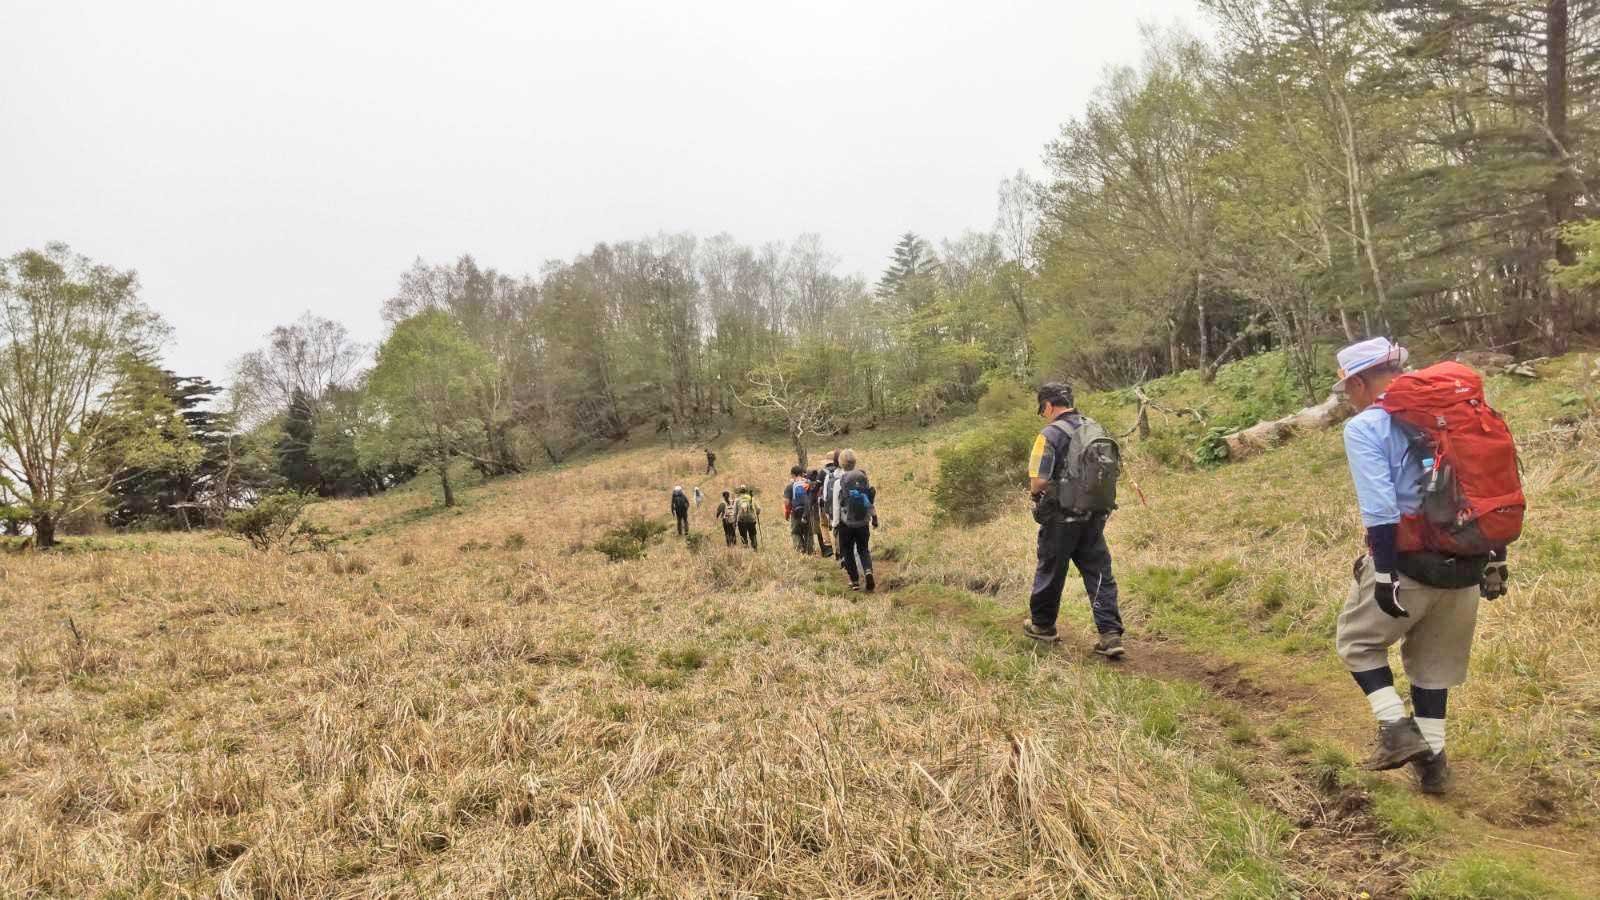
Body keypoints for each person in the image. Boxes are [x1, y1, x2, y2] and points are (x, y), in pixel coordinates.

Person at [1332, 337, 1504, 794]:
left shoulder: (1366, 427)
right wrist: (1495, 557)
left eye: (1348, 388)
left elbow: (1380, 509)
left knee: (1357, 643)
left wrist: (1384, 573)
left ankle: (1396, 730)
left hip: (1409, 562)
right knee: (1433, 664)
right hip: (1468, 560)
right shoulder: (1457, 415)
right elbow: (1489, 489)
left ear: (1361, 381)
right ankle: (1434, 765)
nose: (1348, 397)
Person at [1023, 382, 1125, 658]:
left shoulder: (1049, 434)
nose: (1044, 414)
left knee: (1051, 569)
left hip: (1060, 516)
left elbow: (1038, 482)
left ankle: (1043, 627)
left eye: (1042, 409)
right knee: (1098, 570)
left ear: (1048, 405)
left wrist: (1039, 491)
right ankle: (1110, 634)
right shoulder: (1094, 427)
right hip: (1094, 513)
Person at [835, 449, 877, 591]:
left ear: (841, 463)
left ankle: (854, 581)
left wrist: (835, 523)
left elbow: (836, 505)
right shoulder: (862, 477)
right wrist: (873, 517)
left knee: (847, 551)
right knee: (863, 549)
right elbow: (868, 498)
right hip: (863, 520)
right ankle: (868, 571)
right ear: (855, 462)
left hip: (846, 522)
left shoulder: (839, 482)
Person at [818, 450, 845, 565]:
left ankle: (829, 546)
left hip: (827, 505)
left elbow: (823, 492)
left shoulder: (823, 473)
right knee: (839, 526)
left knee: (824, 524)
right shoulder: (844, 471)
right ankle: (841, 551)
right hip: (843, 504)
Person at [784, 465, 815, 554]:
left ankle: (800, 549)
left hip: (795, 513)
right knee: (808, 533)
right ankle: (809, 551)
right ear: (802, 474)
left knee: (795, 532)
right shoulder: (808, 484)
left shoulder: (790, 486)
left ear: (792, 474)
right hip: (808, 512)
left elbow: (786, 502)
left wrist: (788, 513)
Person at [733, 484, 761, 550]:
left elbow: (735, 512)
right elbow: (758, 509)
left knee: (743, 536)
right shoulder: (751, 498)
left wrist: (734, 522)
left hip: (741, 520)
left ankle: (745, 548)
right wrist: (757, 513)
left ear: (740, 491)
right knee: (752, 535)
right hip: (751, 519)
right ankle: (755, 548)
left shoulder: (737, 500)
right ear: (746, 491)